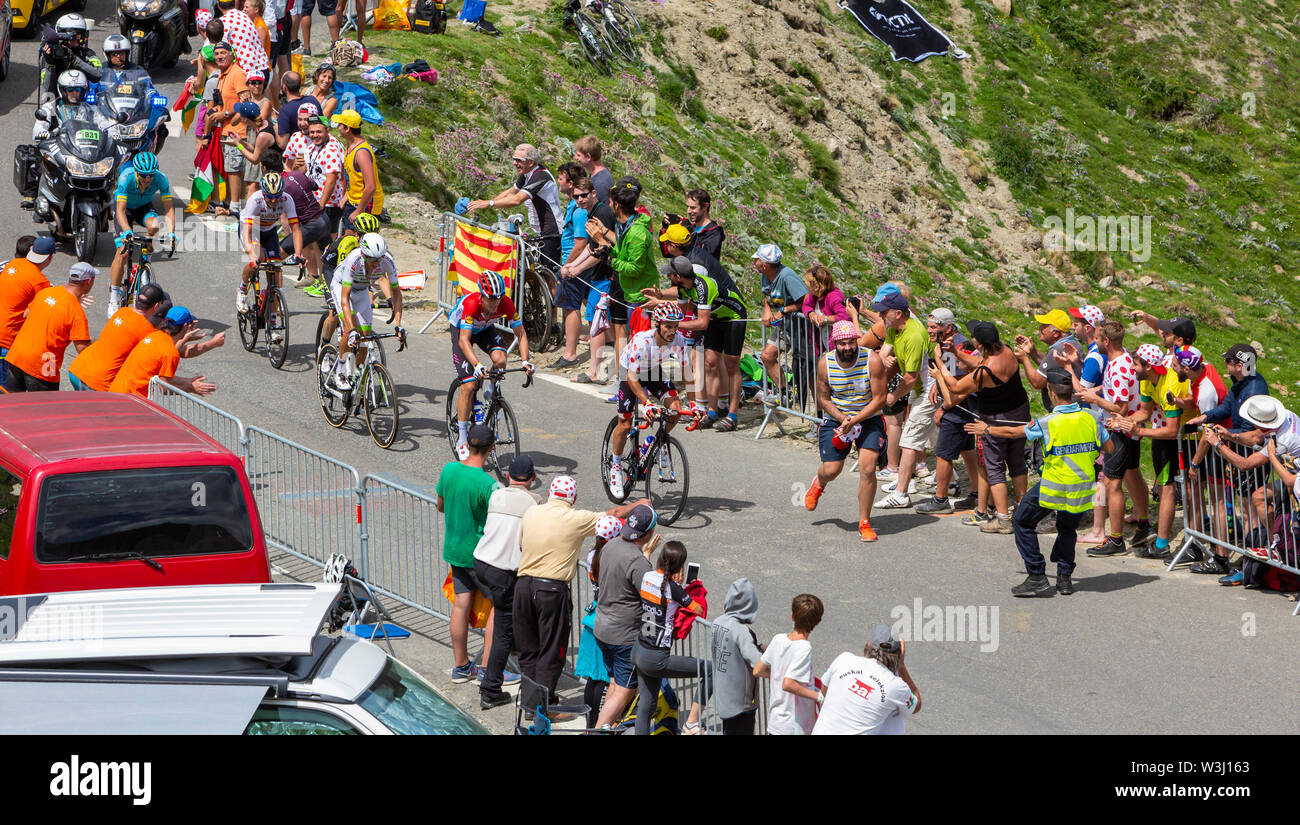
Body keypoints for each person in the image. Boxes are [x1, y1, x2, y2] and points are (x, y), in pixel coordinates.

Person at [968, 367, 1112, 595]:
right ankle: (1064, 579)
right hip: (1083, 486)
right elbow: (1109, 447)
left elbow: (1014, 433)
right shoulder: (1093, 418)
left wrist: (987, 428)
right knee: (1067, 529)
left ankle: (1036, 574)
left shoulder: (1048, 422)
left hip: (1054, 485)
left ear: (1052, 393)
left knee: (1022, 522)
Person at [512, 475, 646, 718]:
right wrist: (636, 507)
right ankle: (542, 708)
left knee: (528, 649)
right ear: (572, 498)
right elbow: (613, 515)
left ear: (551, 493)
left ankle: (533, 704)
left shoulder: (532, 512)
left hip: (523, 585)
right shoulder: (575, 518)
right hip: (551, 589)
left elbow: (522, 545)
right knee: (552, 650)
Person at [1185, 343, 1272, 575]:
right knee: (1246, 507)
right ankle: (1249, 561)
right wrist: (1204, 417)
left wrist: (1228, 436)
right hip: (1242, 451)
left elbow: (1253, 432)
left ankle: (1252, 564)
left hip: (1249, 455)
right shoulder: (1242, 383)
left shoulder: (1253, 389)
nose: (1224, 364)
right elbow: (1226, 408)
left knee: (1249, 509)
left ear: (1239, 365)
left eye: (1228, 361)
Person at [935, 320, 1029, 533]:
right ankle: (1023, 512)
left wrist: (941, 366)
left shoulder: (988, 370)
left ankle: (1003, 518)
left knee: (994, 467)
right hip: (1020, 413)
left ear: (979, 344)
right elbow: (979, 364)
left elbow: (957, 387)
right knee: (1016, 463)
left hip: (996, 418)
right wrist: (958, 355)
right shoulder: (1004, 350)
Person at [804, 321, 888, 541]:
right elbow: (823, 398)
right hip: (837, 418)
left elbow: (879, 399)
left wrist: (856, 420)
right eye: (843, 343)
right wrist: (843, 419)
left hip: (868, 418)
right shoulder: (825, 363)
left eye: (851, 342)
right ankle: (819, 483)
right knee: (832, 469)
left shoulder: (872, 360)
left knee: (868, 468)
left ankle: (865, 522)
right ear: (835, 344)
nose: (848, 347)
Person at [642, 255, 747, 430]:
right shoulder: (684, 288)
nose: (668, 277)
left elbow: (701, 323)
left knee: (731, 365)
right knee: (710, 363)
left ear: (678, 276)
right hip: (716, 317)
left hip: (734, 318)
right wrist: (661, 308)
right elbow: (681, 312)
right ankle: (712, 412)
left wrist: (671, 324)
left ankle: (732, 415)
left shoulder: (703, 287)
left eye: (670, 275)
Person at [435, 424, 502, 687]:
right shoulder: (488, 485)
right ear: (490, 448)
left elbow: (440, 505)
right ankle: (487, 667)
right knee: (499, 606)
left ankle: (461, 666)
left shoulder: (449, 470)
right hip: (481, 556)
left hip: (454, 551)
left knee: (461, 605)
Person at [1078, 319, 1152, 557]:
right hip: (1127, 430)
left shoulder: (1119, 366)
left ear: (1106, 341)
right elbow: (1116, 388)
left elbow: (1119, 407)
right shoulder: (1122, 360)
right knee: (1133, 472)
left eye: (1098, 339)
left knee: (1112, 483)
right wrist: (1099, 391)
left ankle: (1116, 539)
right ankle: (1144, 523)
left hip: (1119, 429)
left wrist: (1095, 399)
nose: (1095, 343)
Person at [470, 454, 537, 709]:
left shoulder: (496, 494)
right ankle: (490, 689)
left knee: (501, 615)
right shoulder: (534, 504)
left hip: (482, 564)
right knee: (503, 633)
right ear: (532, 478)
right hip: (504, 571)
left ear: (508, 476)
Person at [607, 303, 691, 500]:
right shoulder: (642, 341)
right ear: (658, 324)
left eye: (675, 326)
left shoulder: (678, 340)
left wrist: (696, 406)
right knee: (625, 423)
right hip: (630, 374)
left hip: (653, 371)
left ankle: (655, 441)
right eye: (668, 326)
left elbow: (689, 373)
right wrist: (648, 403)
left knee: (675, 410)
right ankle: (616, 466)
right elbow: (632, 378)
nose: (672, 331)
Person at [1107, 344, 1184, 560]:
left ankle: (1161, 545)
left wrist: (1139, 430)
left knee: (1167, 490)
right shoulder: (1148, 382)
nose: (1131, 367)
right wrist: (1124, 420)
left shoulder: (1169, 385)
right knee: (1163, 487)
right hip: (1160, 437)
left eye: (1135, 364)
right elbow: (1144, 411)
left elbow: (1172, 430)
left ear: (1148, 366)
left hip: (1175, 440)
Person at [448, 271, 532, 459]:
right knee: (469, 385)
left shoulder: (506, 303)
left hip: (485, 328)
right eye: (491, 300)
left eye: (498, 299)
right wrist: (477, 365)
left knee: (501, 360)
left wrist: (526, 360)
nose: (495, 304)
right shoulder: (471, 304)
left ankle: (490, 391)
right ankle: (462, 439)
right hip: (462, 330)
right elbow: (464, 340)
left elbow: (521, 334)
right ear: (482, 296)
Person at [591, 503, 661, 728]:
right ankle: (596, 731)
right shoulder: (637, 561)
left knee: (614, 682)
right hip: (623, 636)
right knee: (625, 689)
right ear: (648, 533)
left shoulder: (611, 545)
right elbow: (652, 597)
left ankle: (607, 727)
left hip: (602, 629)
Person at [631, 540, 709, 735]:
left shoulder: (647, 576)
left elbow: (648, 569)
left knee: (646, 707)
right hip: (656, 657)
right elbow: (698, 609)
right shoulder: (674, 589)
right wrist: (684, 585)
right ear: (678, 566)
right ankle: (691, 723)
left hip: (639, 650)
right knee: (710, 670)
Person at [584, 178, 658, 378]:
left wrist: (606, 252)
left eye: (610, 202)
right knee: (632, 343)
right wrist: (606, 244)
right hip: (629, 292)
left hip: (640, 296)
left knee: (638, 345)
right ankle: (626, 385)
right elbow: (621, 253)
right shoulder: (624, 225)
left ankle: (638, 388)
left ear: (617, 205)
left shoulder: (636, 232)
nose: (608, 206)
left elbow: (633, 267)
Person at [916, 309, 981, 513]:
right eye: (928, 327)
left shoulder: (956, 346)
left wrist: (943, 408)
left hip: (959, 408)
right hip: (964, 407)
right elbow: (949, 373)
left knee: (943, 454)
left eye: (934, 327)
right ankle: (977, 494)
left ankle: (940, 499)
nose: (929, 331)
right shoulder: (946, 343)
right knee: (967, 450)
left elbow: (962, 385)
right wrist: (937, 382)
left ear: (948, 327)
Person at [1169, 346, 1227, 566]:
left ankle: (1216, 553)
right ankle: (1196, 543)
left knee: (1215, 499)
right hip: (1210, 445)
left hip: (1215, 448)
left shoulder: (1206, 392)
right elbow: (1193, 401)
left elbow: (1208, 433)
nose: (1172, 368)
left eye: (1175, 365)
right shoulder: (1205, 369)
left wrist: (1195, 463)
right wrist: (1179, 401)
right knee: (1194, 494)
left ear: (1186, 368)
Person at [467, 144, 563, 272]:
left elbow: (517, 199)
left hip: (551, 231)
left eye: (518, 160)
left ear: (531, 162)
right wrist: (486, 202)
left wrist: (489, 203)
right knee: (539, 271)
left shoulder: (540, 176)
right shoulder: (527, 173)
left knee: (549, 275)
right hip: (540, 230)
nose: (514, 163)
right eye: (514, 159)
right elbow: (511, 192)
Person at [327, 232, 404, 390]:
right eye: (372, 260)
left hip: (361, 290)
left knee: (365, 338)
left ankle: (357, 378)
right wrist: (351, 327)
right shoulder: (354, 259)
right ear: (363, 253)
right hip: (342, 286)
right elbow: (345, 298)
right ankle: (339, 371)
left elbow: (397, 294)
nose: (376, 263)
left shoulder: (387, 261)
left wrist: (398, 325)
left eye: (379, 259)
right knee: (350, 331)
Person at [812, 623, 922, 735]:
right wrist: (901, 665)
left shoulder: (843, 659)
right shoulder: (896, 686)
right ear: (898, 653)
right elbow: (916, 705)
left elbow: (824, 691)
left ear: (869, 644)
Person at [558, 180, 615, 385]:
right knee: (595, 320)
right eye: (576, 197)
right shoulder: (591, 213)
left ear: (593, 193)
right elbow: (591, 247)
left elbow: (603, 248)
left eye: (584, 195)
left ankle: (595, 371)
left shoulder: (602, 212)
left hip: (606, 275)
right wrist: (571, 266)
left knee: (596, 321)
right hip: (598, 275)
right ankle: (596, 369)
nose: (580, 200)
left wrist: (577, 268)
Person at [3, 263, 94, 392]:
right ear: (89, 281)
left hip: (16, 355)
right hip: (44, 365)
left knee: (13, 406)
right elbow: (82, 349)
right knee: (45, 409)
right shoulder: (76, 311)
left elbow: (26, 314)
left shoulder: (46, 292)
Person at [108, 152, 177, 317]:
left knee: (154, 225)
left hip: (144, 207)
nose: (148, 179)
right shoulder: (126, 178)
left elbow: (168, 209)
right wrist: (127, 231)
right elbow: (120, 210)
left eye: (151, 175)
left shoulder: (161, 179)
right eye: (144, 176)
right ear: (137, 172)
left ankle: (146, 256)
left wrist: (172, 234)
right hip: (125, 211)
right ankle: (114, 296)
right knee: (122, 253)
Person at [108, 306, 219, 397]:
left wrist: (188, 382)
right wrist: (191, 387)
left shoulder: (155, 335)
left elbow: (162, 377)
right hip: (129, 401)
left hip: (116, 392)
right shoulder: (169, 352)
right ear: (185, 325)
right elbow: (165, 388)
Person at [237, 173, 304, 321]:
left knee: (276, 274)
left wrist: (299, 255)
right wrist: (252, 255)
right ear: (263, 193)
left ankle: (273, 321)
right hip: (252, 230)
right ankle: (242, 289)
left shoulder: (287, 199)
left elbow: (296, 230)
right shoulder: (255, 200)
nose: (274, 200)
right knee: (258, 259)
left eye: (277, 196)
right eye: (270, 196)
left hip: (269, 231)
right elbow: (247, 233)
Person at [754, 593, 824, 735]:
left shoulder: (778, 639)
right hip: (793, 727)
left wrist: (777, 674)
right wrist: (818, 696)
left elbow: (758, 670)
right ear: (817, 622)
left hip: (775, 722)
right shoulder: (804, 648)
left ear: (792, 616)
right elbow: (788, 684)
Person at [755, 244, 808, 405]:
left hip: (800, 328)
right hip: (784, 326)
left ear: (764, 264)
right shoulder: (765, 274)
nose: (754, 262)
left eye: (756, 259)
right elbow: (767, 294)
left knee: (805, 370)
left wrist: (784, 310)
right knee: (767, 356)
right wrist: (767, 309)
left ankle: (814, 413)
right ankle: (785, 394)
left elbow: (806, 301)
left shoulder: (787, 277)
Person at [711, 577, 763, 735]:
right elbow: (757, 663)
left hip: (724, 698)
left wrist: (758, 646)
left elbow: (733, 648)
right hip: (742, 704)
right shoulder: (742, 631)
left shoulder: (717, 622)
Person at [0, 237, 54, 388]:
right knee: (4, 394)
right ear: (51, 257)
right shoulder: (40, 281)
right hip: (7, 341)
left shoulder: (12, 264)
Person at [552, 162, 592, 369]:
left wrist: (566, 266)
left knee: (570, 307)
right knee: (586, 300)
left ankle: (570, 354)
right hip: (577, 261)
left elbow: (580, 243)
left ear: (570, 182)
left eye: (560, 178)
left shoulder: (578, 211)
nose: (558, 181)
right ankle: (602, 336)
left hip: (574, 262)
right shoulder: (573, 206)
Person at [207, 42, 251, 216]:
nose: (219, 56)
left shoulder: (237, 73)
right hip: (226, 129)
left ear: (231, 54)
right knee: (235, 170)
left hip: (238, 131)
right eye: (216, 54)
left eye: (223, 53)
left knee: (234, 170)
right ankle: (238, 205)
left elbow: (245, 100)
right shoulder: (222, 75)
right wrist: (216, 112)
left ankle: (234, 207)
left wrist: (225, 113)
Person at [1015, 308, 1080, 409]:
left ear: (1056, 333)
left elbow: (1037, 382)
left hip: (1063, 410)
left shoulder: (1059, 349)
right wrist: (1033, 352)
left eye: (1044, 326)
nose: (1040, 328)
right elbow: (1051, 366)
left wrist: (1024, 359)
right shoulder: (1072, 343)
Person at [331, 109, 384, 229]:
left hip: (366, 205)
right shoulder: (350, 145)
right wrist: (346, 196)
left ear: (347, 129)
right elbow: (351, 176)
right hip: (354, 200)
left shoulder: (361, 153)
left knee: (356, 241)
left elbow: (371, 186)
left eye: (340, 124)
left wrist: (358, 211)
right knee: (348, 239)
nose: (337, 127)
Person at [38, 14, 102, 104]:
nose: (78, 37)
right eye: (74, 34)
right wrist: (50, 63)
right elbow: (47, 88)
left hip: (83, 102)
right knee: (45, 110)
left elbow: (98, 74)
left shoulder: (88, 53)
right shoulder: (51, 54)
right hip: (57, 102)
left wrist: (74, 59)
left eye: (79, 33)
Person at [212, 0, 270, 77]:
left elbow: (220, 50)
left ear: (218, 5)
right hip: (263, 68)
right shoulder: (245, 16)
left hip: (246, 71)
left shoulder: (222, 22)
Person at [275, 72, 319, 148]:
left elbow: (282, 144)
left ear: (285, 87)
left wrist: (276, 126)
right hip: (317, 145)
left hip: (298, 153)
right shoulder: (313, 100)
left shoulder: (285, 111)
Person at [685, 188, 724, 263]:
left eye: (693, 207)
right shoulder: (690, 228)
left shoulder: (714, 233)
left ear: (705, 206)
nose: (688, 211)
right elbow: (668, 253)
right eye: (687, 207)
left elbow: (701, 258)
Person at [574, 135, 613, 204]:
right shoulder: (596, 174)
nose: (575, 157)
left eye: (579, 155)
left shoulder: (601, 182)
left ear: (588, 157)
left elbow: (605, 210)